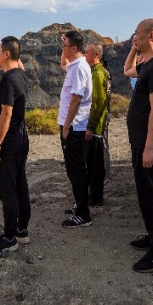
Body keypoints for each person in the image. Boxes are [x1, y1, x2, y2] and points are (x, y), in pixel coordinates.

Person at [125, 18, 153, 273]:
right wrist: (134, 49)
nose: (135, 38)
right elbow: (127, 70)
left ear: (151, 35)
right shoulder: (147, 65)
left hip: (148, 144)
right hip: (141, 142)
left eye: (138, 35)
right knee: (145, 194)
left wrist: (149, 148)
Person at [0, 36, 31, 254]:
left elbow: (6, 114)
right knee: (21, 184)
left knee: (8, 190)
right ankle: (22, 230)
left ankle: (9, 237)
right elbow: (20, 66)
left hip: (9, 143)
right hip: (22, 140)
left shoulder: (7, 80)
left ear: (6, 54)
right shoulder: (21, 75)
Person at [59, 30, 93, 228]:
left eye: (65, 46)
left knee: (77, 170)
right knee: (74, 169)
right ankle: (80, 205)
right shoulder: (75, 65)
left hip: (74, 127)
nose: (62, 49)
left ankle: (83, 214)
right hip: (72, 125)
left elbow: (76, 99)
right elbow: (63, 62)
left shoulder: (79, 67)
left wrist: (66, 126)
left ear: (74, 48)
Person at [84, 43, 111, 206]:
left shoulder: (98, 73)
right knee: (92, 162)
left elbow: (98, 103)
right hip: (95, 125)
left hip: (96, 127)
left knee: (95, 163)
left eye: (86, 52)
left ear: (96, 54)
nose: (84, 55)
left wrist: (90, 126)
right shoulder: (94, 71)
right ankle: (93, 195)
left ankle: (95, 197)